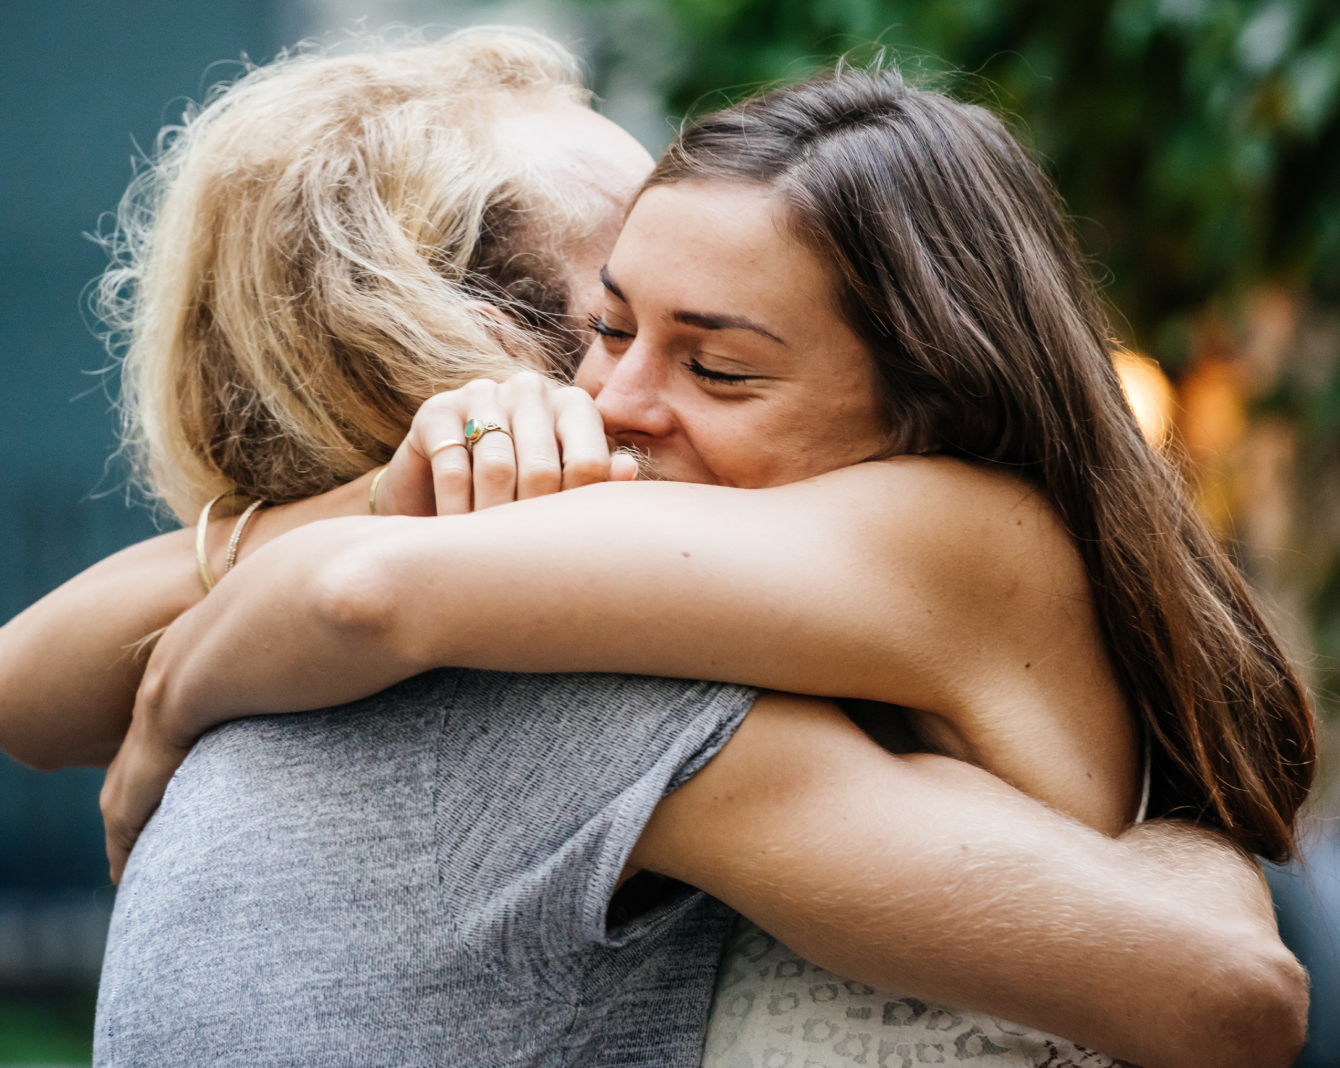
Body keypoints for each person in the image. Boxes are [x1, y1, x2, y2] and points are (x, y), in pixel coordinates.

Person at [0, 33, 1306, 1068]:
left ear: (928, 392)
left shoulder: (895, 547)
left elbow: (1235, 1003)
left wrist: (175, 697)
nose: (621, 400)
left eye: (720, 356)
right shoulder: (583, 656)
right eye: (609, 320)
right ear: (479, 346)